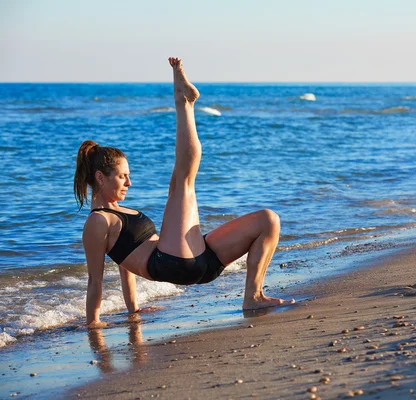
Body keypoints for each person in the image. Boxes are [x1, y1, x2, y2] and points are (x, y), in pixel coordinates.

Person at [74, 57, 294, 329]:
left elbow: (125, 270)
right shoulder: (98, 222)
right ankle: (184, 103)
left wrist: (135, 310)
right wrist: (93, 322)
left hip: (200, 261)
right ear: (100, 178)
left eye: (128, 175)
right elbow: (95, 278)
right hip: (172, 264)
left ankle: (253, 296)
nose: (129, 182)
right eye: (122, 176)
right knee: (182, 182)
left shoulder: (120, 213)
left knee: (268, 220)